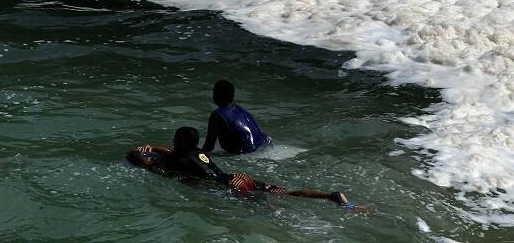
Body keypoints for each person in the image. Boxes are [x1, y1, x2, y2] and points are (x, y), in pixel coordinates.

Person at [126, 126, 355, 208]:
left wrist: (140, 152)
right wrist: (155, 146)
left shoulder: (173, 161)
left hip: (229, 187)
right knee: (286, 192)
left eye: (175, 140)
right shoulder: (198, 152)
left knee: (271, 210)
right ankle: (332, 196)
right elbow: (174, 151)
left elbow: (142, 161)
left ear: (179, 143)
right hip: (237, 177)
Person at [201, 79, 270, 155]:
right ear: (232, 96)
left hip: (245, 154)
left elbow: (208, 147)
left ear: (215, 95)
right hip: (264, 145)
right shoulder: (239, 109)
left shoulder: (217, 115)